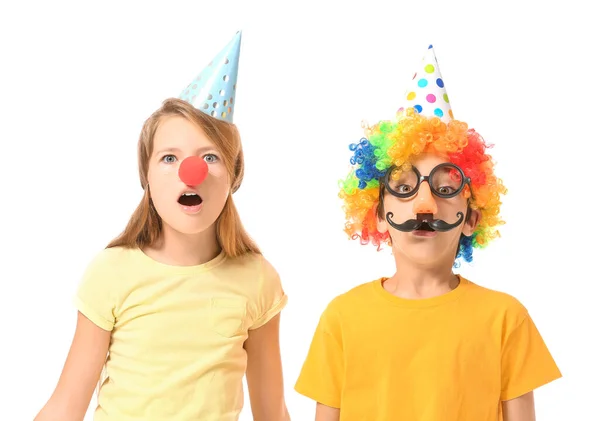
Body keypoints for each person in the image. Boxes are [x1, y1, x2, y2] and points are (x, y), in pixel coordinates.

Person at [294, 45, 561, 421]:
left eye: (445, 187)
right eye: (403, 188)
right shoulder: (342, 316)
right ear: (379, 215)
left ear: (471, 217)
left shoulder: (505, 318)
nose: (425, 206)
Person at [34, 31, 290, 421]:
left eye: (211, 157)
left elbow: (272, 412)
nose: (192, 172)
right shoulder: (113, 270)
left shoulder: (258, 279)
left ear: (234, 176)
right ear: (147, 176)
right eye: (170, 158)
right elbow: (67, 405)